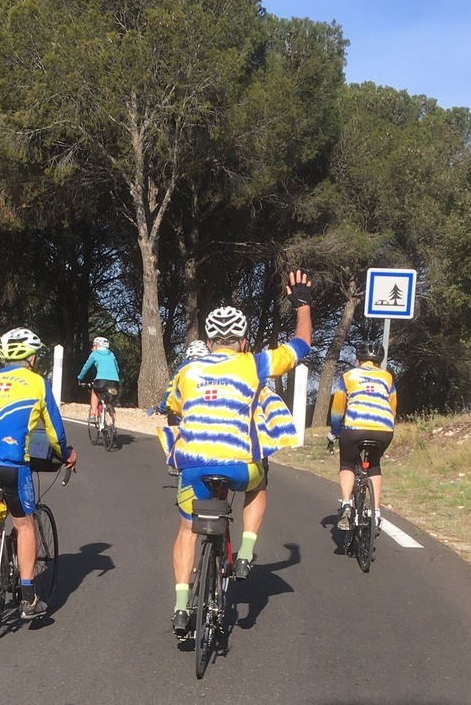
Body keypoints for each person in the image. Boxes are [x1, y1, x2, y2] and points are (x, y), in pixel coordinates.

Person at [163, 270, 313, 636]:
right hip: (240, 465)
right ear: (243, 341)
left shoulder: (188, 371)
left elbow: (175, 409)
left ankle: (181, 607)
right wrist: (302, 304)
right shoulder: (253, 363)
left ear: (210, 341)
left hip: (194, 466)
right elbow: (302, 346)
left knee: (187, 529)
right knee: (258, 485)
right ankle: (245, 551)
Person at [0, 327, 78, 620]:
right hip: (11, 462)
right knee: (24, 524)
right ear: (32, 358)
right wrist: (66, 455)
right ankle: (28, 598)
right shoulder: (38, 383)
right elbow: (54, 431)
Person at [327, 340, 396, 531]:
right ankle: (375, 512)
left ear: (358, 360)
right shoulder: (387, 377)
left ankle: (347, 504)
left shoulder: (349, 376)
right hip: (384, 429)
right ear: (379, 363)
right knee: (373, 465)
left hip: (355, 428)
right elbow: (393, 407)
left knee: (347, 464)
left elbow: (338, 409)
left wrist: (334, 432)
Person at [77, 336, 121, 420]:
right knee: (111, 401)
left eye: (93, 346)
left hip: (101, 381)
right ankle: (113, 425)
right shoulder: (112, 354)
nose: (92, 349)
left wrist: (80, 377)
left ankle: (93, 414)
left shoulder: (95, 354)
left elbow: (86, 367)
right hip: (115, 381)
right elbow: (117, 368)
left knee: (95, 391)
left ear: (97, 345)